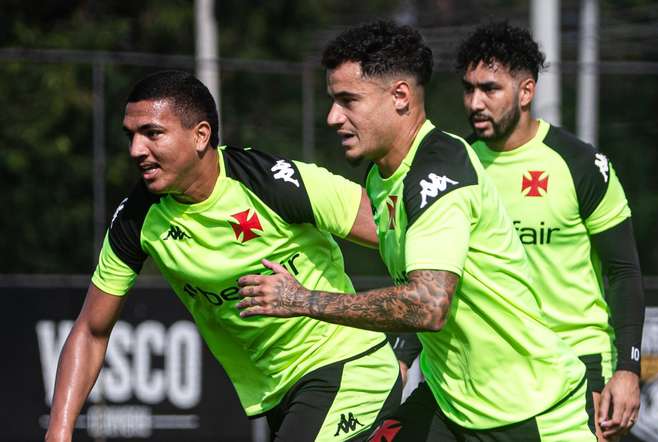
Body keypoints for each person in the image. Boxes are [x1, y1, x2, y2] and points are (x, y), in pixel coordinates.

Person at [236, 21, 595, 442]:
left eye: (349, 100)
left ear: (400, 96)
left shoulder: (438, 167)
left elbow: (427, 304)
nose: (333, 117)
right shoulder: (380, 177)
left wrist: (302, 299)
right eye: (332, 101)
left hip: (530, 412)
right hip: (450, 405)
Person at [45, 70, 401, 442]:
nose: (136, 149)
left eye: (152, 134)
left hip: (348, 367)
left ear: (200, 135)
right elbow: (91, 330)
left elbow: (404, 236)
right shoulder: (136, 219)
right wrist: (59, 430)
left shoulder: (274, 182)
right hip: (277, 394)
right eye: (130, 136)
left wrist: (411, 337)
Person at [457, 22, 645, 441]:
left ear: (526, 92)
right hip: (490, 371)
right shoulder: (456, 166)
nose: (475, 102)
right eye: (468, 89)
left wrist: (628, 369)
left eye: (490, 89)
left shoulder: (579, 163)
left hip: (578, 364)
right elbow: (438, 271)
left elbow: (623, 272)